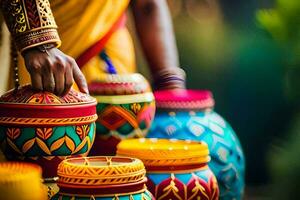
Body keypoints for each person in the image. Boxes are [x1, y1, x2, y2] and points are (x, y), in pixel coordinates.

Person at [0, 0, 185, 95]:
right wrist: (39, 42)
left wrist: (170, 88)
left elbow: (148, 6)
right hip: (43, 67)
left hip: (113, 67)